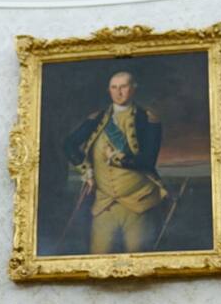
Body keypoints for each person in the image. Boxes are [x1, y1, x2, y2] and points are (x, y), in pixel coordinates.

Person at [63, 70, 167, 254]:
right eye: (114, 87)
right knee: (99, 257)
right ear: (109, 90)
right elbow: (69, 144)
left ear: (133, 89)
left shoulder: (148, 119)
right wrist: (86, 170)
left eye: (124, 87)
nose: (118, 92)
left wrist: (116, 158)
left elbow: (148, 161)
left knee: (139, 258)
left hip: (139, 203)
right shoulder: (97, 119)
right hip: (103, 204)